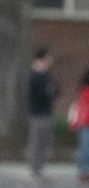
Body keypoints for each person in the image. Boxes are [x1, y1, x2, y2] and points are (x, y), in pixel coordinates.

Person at [26, 47, 60, 181]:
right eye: (46, 59)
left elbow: (57, 90)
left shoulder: (47, 76)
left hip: (47, 112)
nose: (49, 62)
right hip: (36, 113)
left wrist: (51, 92)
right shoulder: (34, 76)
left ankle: (40, 168)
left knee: (44, 142)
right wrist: (47, 92)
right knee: (36, 142)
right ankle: (34, 169)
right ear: (40, 60)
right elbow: (35, 93)